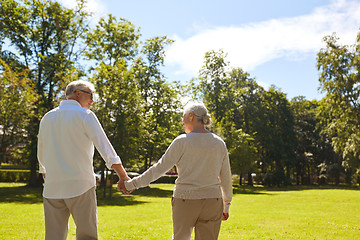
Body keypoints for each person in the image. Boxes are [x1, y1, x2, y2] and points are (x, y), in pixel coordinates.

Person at [118, 102, 233, 240]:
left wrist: (131, 184)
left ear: (191, 116)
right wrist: (226, 205)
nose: (182, 122)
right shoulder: (219, 143)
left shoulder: (182, 141)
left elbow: (159, 168)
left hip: (186, 200)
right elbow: (226, 177)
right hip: (212, 201)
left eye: (183, 117)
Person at [37, 80, 130, 240]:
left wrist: (45, 173)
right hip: (81, 186)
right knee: (87, 236)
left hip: (52, 188)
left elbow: (42, 152)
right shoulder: (85, 115)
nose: (92, 101)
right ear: (78, 93)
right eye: (91, 95)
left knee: (53, 236)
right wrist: (123, 175)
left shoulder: (47, 117)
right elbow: (106, 148)